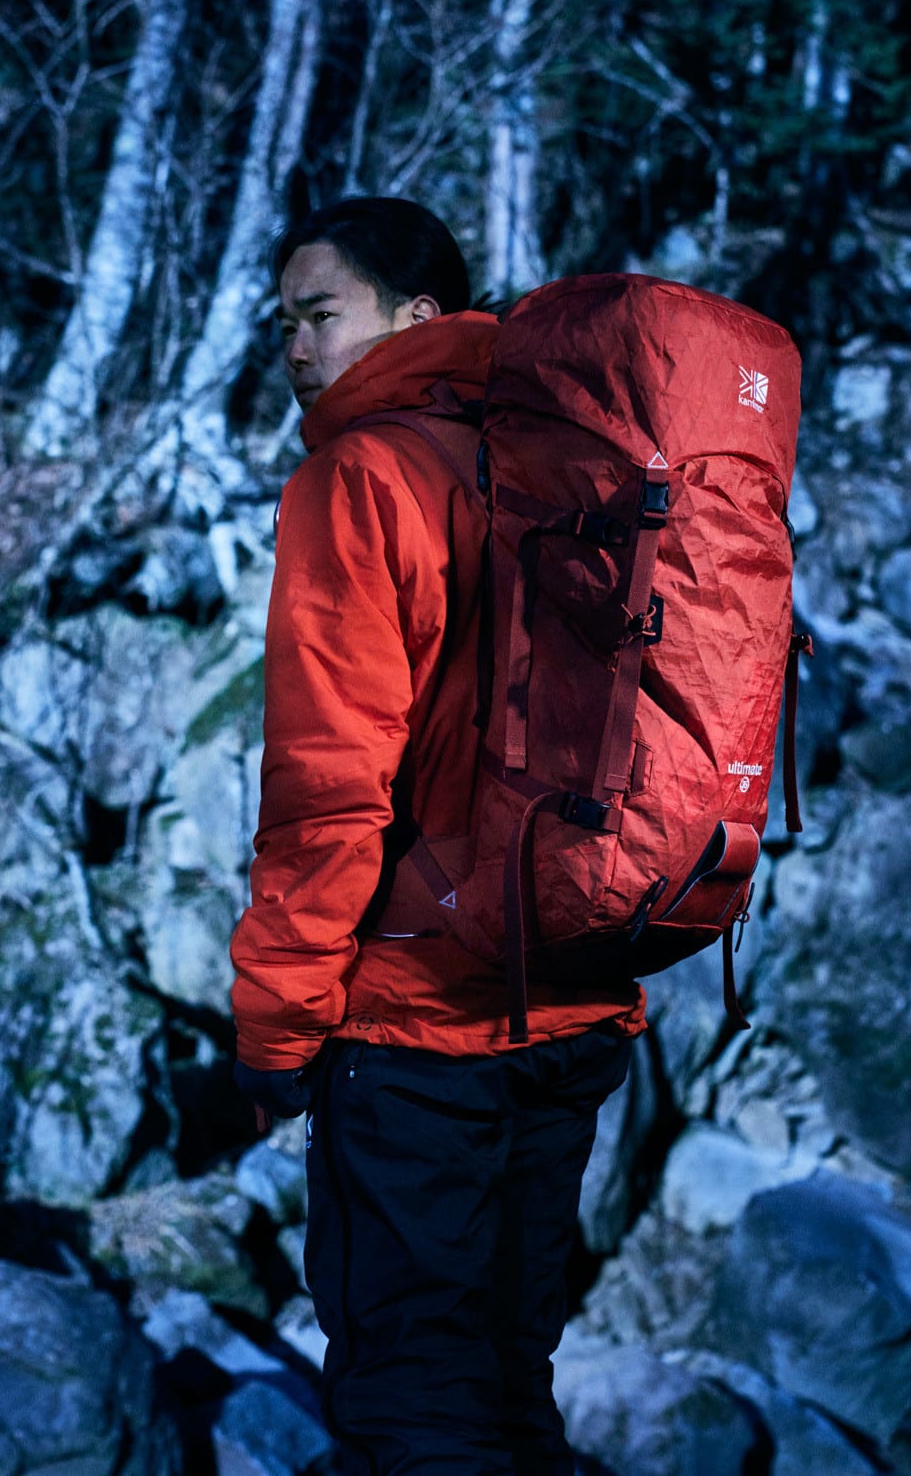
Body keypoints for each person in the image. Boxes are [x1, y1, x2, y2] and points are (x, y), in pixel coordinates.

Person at [230, 197, 643, 1474]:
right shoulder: (566, 464)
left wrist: (276, 1022)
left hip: (419, 1026)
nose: (296, 348)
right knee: (511, 1388)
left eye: (320, 314)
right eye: (283, 324)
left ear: (418, 317)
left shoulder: (360, 479)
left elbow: (328, 784)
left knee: (412, 1405)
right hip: (570, 1004)